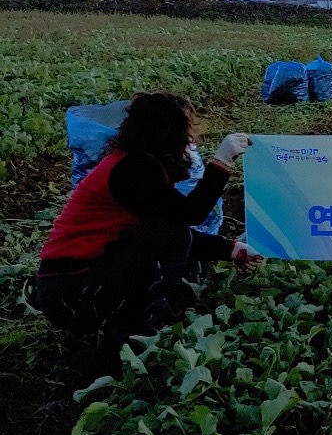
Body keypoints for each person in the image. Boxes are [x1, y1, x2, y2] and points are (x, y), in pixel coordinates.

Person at [34, 92, 261, 367]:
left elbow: (170, 226)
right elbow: (188, 216)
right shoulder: (131, 171)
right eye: (187, 129)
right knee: (173, 241)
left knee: (172, 239)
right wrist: (222, 162)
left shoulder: (140, 165)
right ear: (167, 132)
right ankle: (126, 347)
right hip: (72, 292)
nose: (192, 139)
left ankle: (134, 333)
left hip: (79, 281)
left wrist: (231, 249)